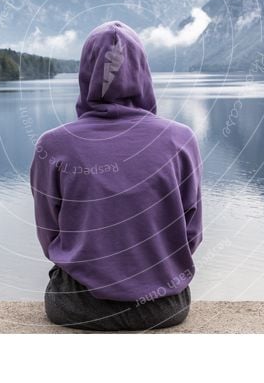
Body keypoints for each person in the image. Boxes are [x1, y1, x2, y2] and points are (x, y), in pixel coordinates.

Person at [30, 20, 203, 331]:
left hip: (78, 306)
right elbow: (191, 235)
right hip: (164, 307)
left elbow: (49, 237)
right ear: (142, 72)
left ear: (86, 73)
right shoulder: (181, 140)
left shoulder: (53, 145)